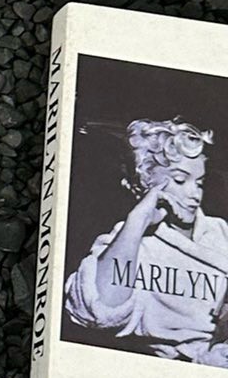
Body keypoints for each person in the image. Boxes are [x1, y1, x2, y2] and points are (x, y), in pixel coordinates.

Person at [64, 116, 228, 365]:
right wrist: (138, 220)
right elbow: (95, 311)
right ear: (145, 181)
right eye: (180, 180)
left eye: (200, 183)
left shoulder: (220, 231)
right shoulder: (127, 243)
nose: (194, 194)